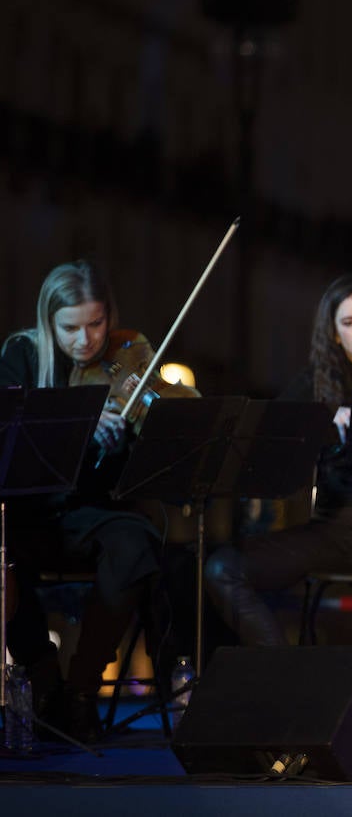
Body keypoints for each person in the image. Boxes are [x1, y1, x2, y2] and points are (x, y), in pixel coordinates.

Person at [203, 274, 352, 660]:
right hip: (332, 528)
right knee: (221, 568)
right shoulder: (315, 384)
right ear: (334, 334)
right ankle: (283, 669)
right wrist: (322, 425)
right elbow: (268, 440)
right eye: (349, 323)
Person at [0, 259, 166, 743]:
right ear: (48, 322)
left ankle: (81, 689)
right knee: (3, 555)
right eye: (70, 328)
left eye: (97, 324)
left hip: (85, 515)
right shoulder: (21, 356)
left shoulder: (124, 359)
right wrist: (76, 430)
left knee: (136, 542)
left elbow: (133, 473)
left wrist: (122, 444)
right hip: (29, 515)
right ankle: (42, 675)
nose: (86, 341)